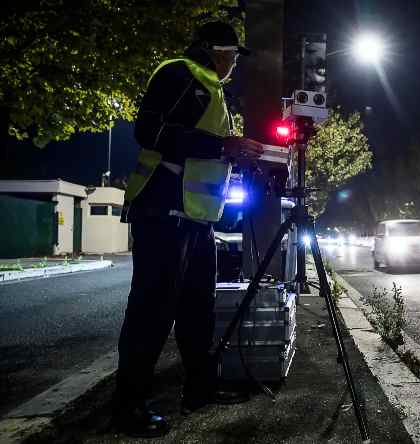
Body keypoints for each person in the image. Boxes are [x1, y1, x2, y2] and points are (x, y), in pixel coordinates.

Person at [114, 21, 263, 438]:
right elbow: (149, 131)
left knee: (197, 308)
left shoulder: (214, 91)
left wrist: (236, 155)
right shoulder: (178, 73)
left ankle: (200, 388)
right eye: (230, 54)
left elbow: (204, 154)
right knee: (152, 312)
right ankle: (128, 407)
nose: (234, 62)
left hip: (196, 219)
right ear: (212, 51)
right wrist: (221, 146)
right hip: (163, 213)